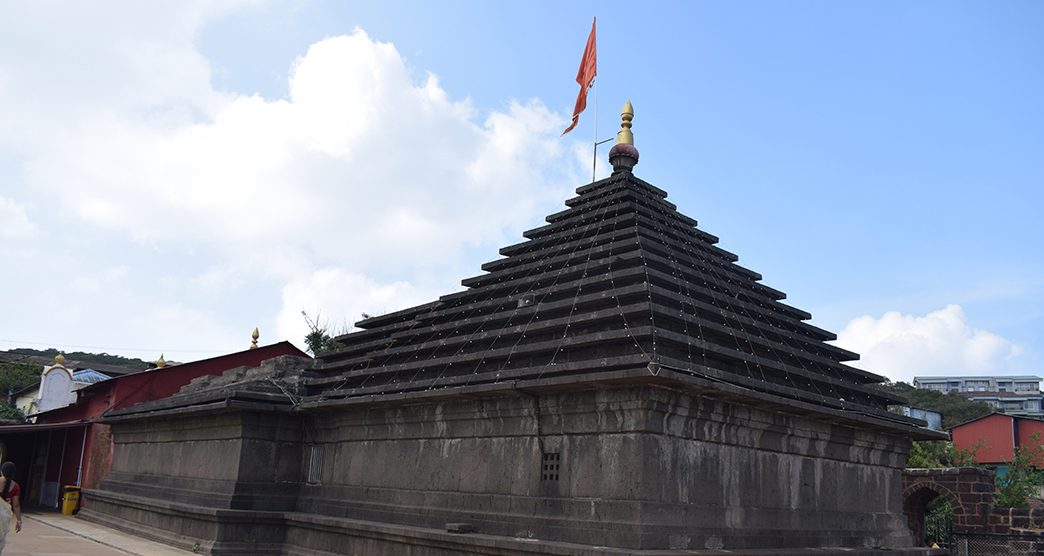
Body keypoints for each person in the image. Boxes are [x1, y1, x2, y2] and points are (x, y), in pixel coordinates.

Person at [0, 461, 21, 553]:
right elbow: (16, 505)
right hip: (4, 516)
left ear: (2, 471)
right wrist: (19, 520)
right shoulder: (16, 487)